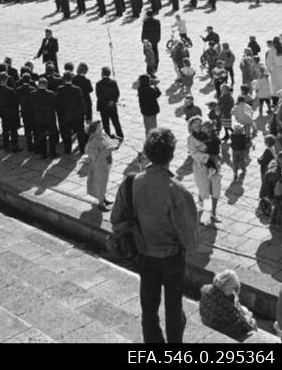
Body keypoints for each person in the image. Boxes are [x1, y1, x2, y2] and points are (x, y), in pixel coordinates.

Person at [110, 128, 199, 343]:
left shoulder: (131, 183)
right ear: (171, 155)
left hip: (144, 254)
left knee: (148, 307)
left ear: (147, 153)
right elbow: (191, 240)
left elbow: (116, 220)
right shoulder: (178, 190)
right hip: (171, 258)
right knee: (173, 308)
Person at [199, 270, 259, 342]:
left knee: (245, 310)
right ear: (226, 287)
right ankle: (257, 339)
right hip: (222, 329)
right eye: (233, 288)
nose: (233, 291)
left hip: (207, 322)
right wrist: (248, 320)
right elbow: (236, 326)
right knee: (252, 320)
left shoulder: (206, 289)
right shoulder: (226, 304)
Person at [85, 120, 121, 211]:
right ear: (94, 130)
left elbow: (109, 143)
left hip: (107, 163)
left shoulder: (104, 135)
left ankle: (103, 198)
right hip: (99, 165)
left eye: (101, 126)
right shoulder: (93, 142)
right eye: (99, 127)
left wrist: (116, 142)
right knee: (101, 183)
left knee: (104, 182)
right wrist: (109, 150)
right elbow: (95, 157)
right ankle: (101, 203)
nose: (102, 128)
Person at [95, 66, 123, 139]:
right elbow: (117, 93)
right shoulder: (113, 82)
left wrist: (106, 102)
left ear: (102, 74)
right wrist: (113, 100)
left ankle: (107, 136)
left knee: (105, 123)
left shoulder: (98, 83)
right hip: (112, 106)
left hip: (103, 106)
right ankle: (120, 134)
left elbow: (99, 95)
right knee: (115, 121)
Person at [137, 74, 161, 138]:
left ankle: (147, 139)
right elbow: (158, 94)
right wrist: (155, 86)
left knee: (147, 128)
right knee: (153, 128)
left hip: (144, 111)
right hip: (152, 111)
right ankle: (153, 142)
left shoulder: (140, 89)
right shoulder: (150, 90)